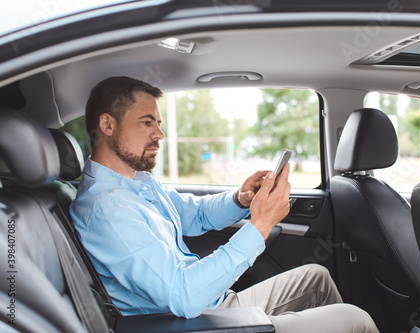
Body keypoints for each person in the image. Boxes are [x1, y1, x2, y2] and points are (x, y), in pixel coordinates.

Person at [70, 76, 379, 333]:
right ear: (108, 125)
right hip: (192, 323)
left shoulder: (136, 182)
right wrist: (259, 227)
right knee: (357, 320)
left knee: (316, 278)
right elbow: (185, 296)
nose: (160, 134)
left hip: (213, 307)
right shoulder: (107, 210)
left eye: (159, 123)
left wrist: (240, 199)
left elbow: (193, 213)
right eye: (147, 122)